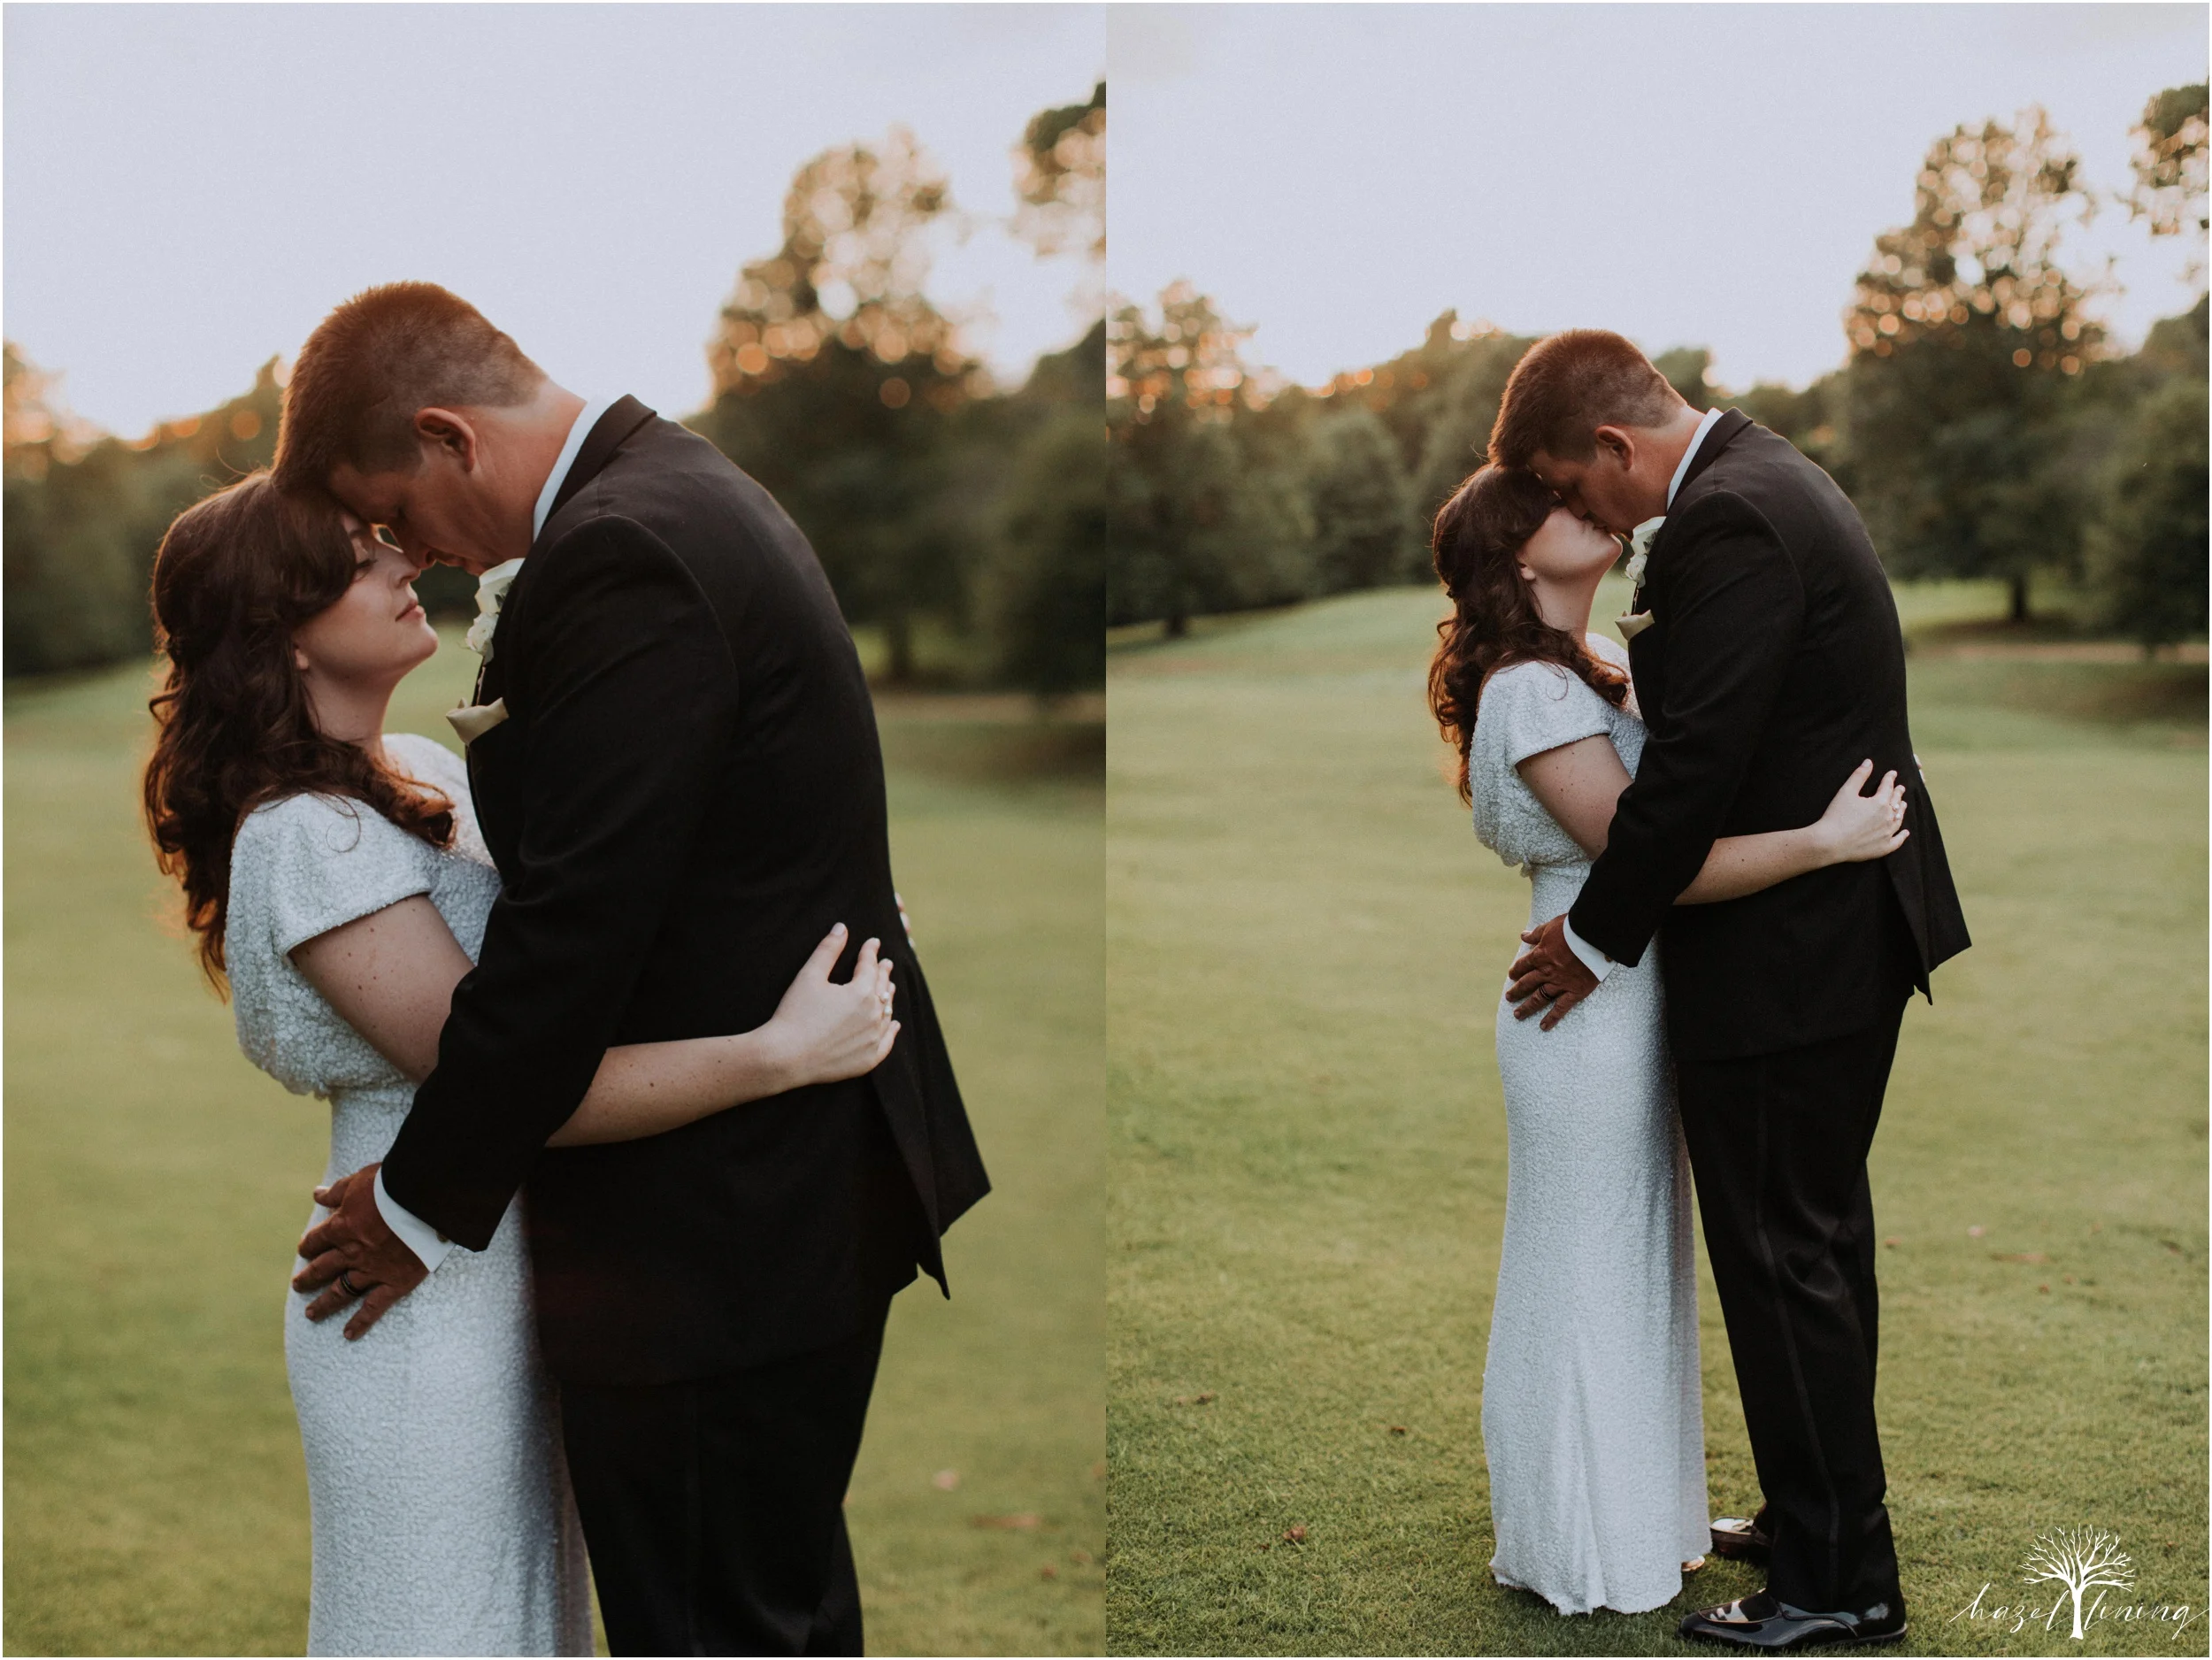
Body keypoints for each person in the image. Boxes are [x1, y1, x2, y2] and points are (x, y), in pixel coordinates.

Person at [270, 282, 989, 1655]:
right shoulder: (679, 488)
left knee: (719, 1632)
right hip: (768, 1195)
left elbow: (572, 941)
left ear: (448, 437)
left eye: (397, 513)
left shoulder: (624, 552)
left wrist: (419, 1203)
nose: (408, 553)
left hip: (716, 1225)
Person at [143, 473, 902, 1654]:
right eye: (358, 558)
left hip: (524, 1277)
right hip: (415, 1306)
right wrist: (777, 1055)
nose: (408, 567)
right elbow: (504, 1082)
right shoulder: (305, 836)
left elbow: (594, 938)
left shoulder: (417, 772)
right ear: (280, 636)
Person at [1490, 331, 1969, 1650]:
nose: (1586, 516)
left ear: (1616, 449)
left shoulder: (1729, 521)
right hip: (1829, 937)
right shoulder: (1768, 480)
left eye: (1577, 489)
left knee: (1782, 1258)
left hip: (1793, 958)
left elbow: (1693, 768)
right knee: (1815, 1246)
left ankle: (1837, 1586)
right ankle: (1820, 1519)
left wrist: (1591, 939)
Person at [1429, 463, 1912, 1620]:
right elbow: (1655, 860)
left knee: (1647, 1264)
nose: (1588, 503)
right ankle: (1581, 1535)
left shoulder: (1586, 672)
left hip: (1631, 997)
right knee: (1589, 1263)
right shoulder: (1532, 697)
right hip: (1583, 1012)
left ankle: (1649, 1508)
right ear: (1515, 555)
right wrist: (1824, 844)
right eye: (1554, 502)